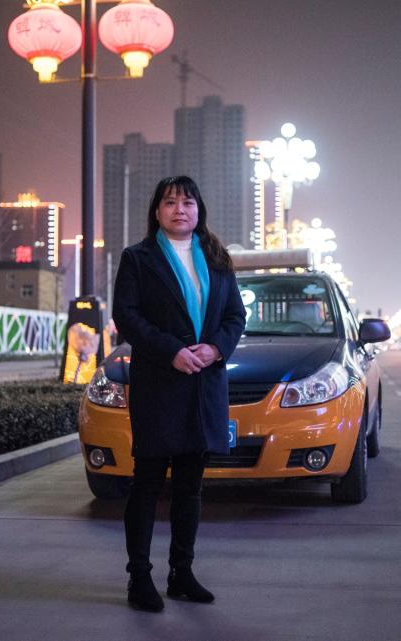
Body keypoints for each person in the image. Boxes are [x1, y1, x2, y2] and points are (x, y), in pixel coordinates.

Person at [111, 175, 246, 613]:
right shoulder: (138, 258)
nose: (179, 209)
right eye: (170, 202)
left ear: (198, 210)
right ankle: (139, 578)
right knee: (147, 485)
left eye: (188, 202)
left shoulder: (218, 259)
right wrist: (171, 352)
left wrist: (215, 348)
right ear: (157, 211)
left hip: (204, 385)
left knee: (190, 487)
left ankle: (181, 573)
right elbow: (127, 317)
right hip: (159, 383)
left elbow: (234, 316)